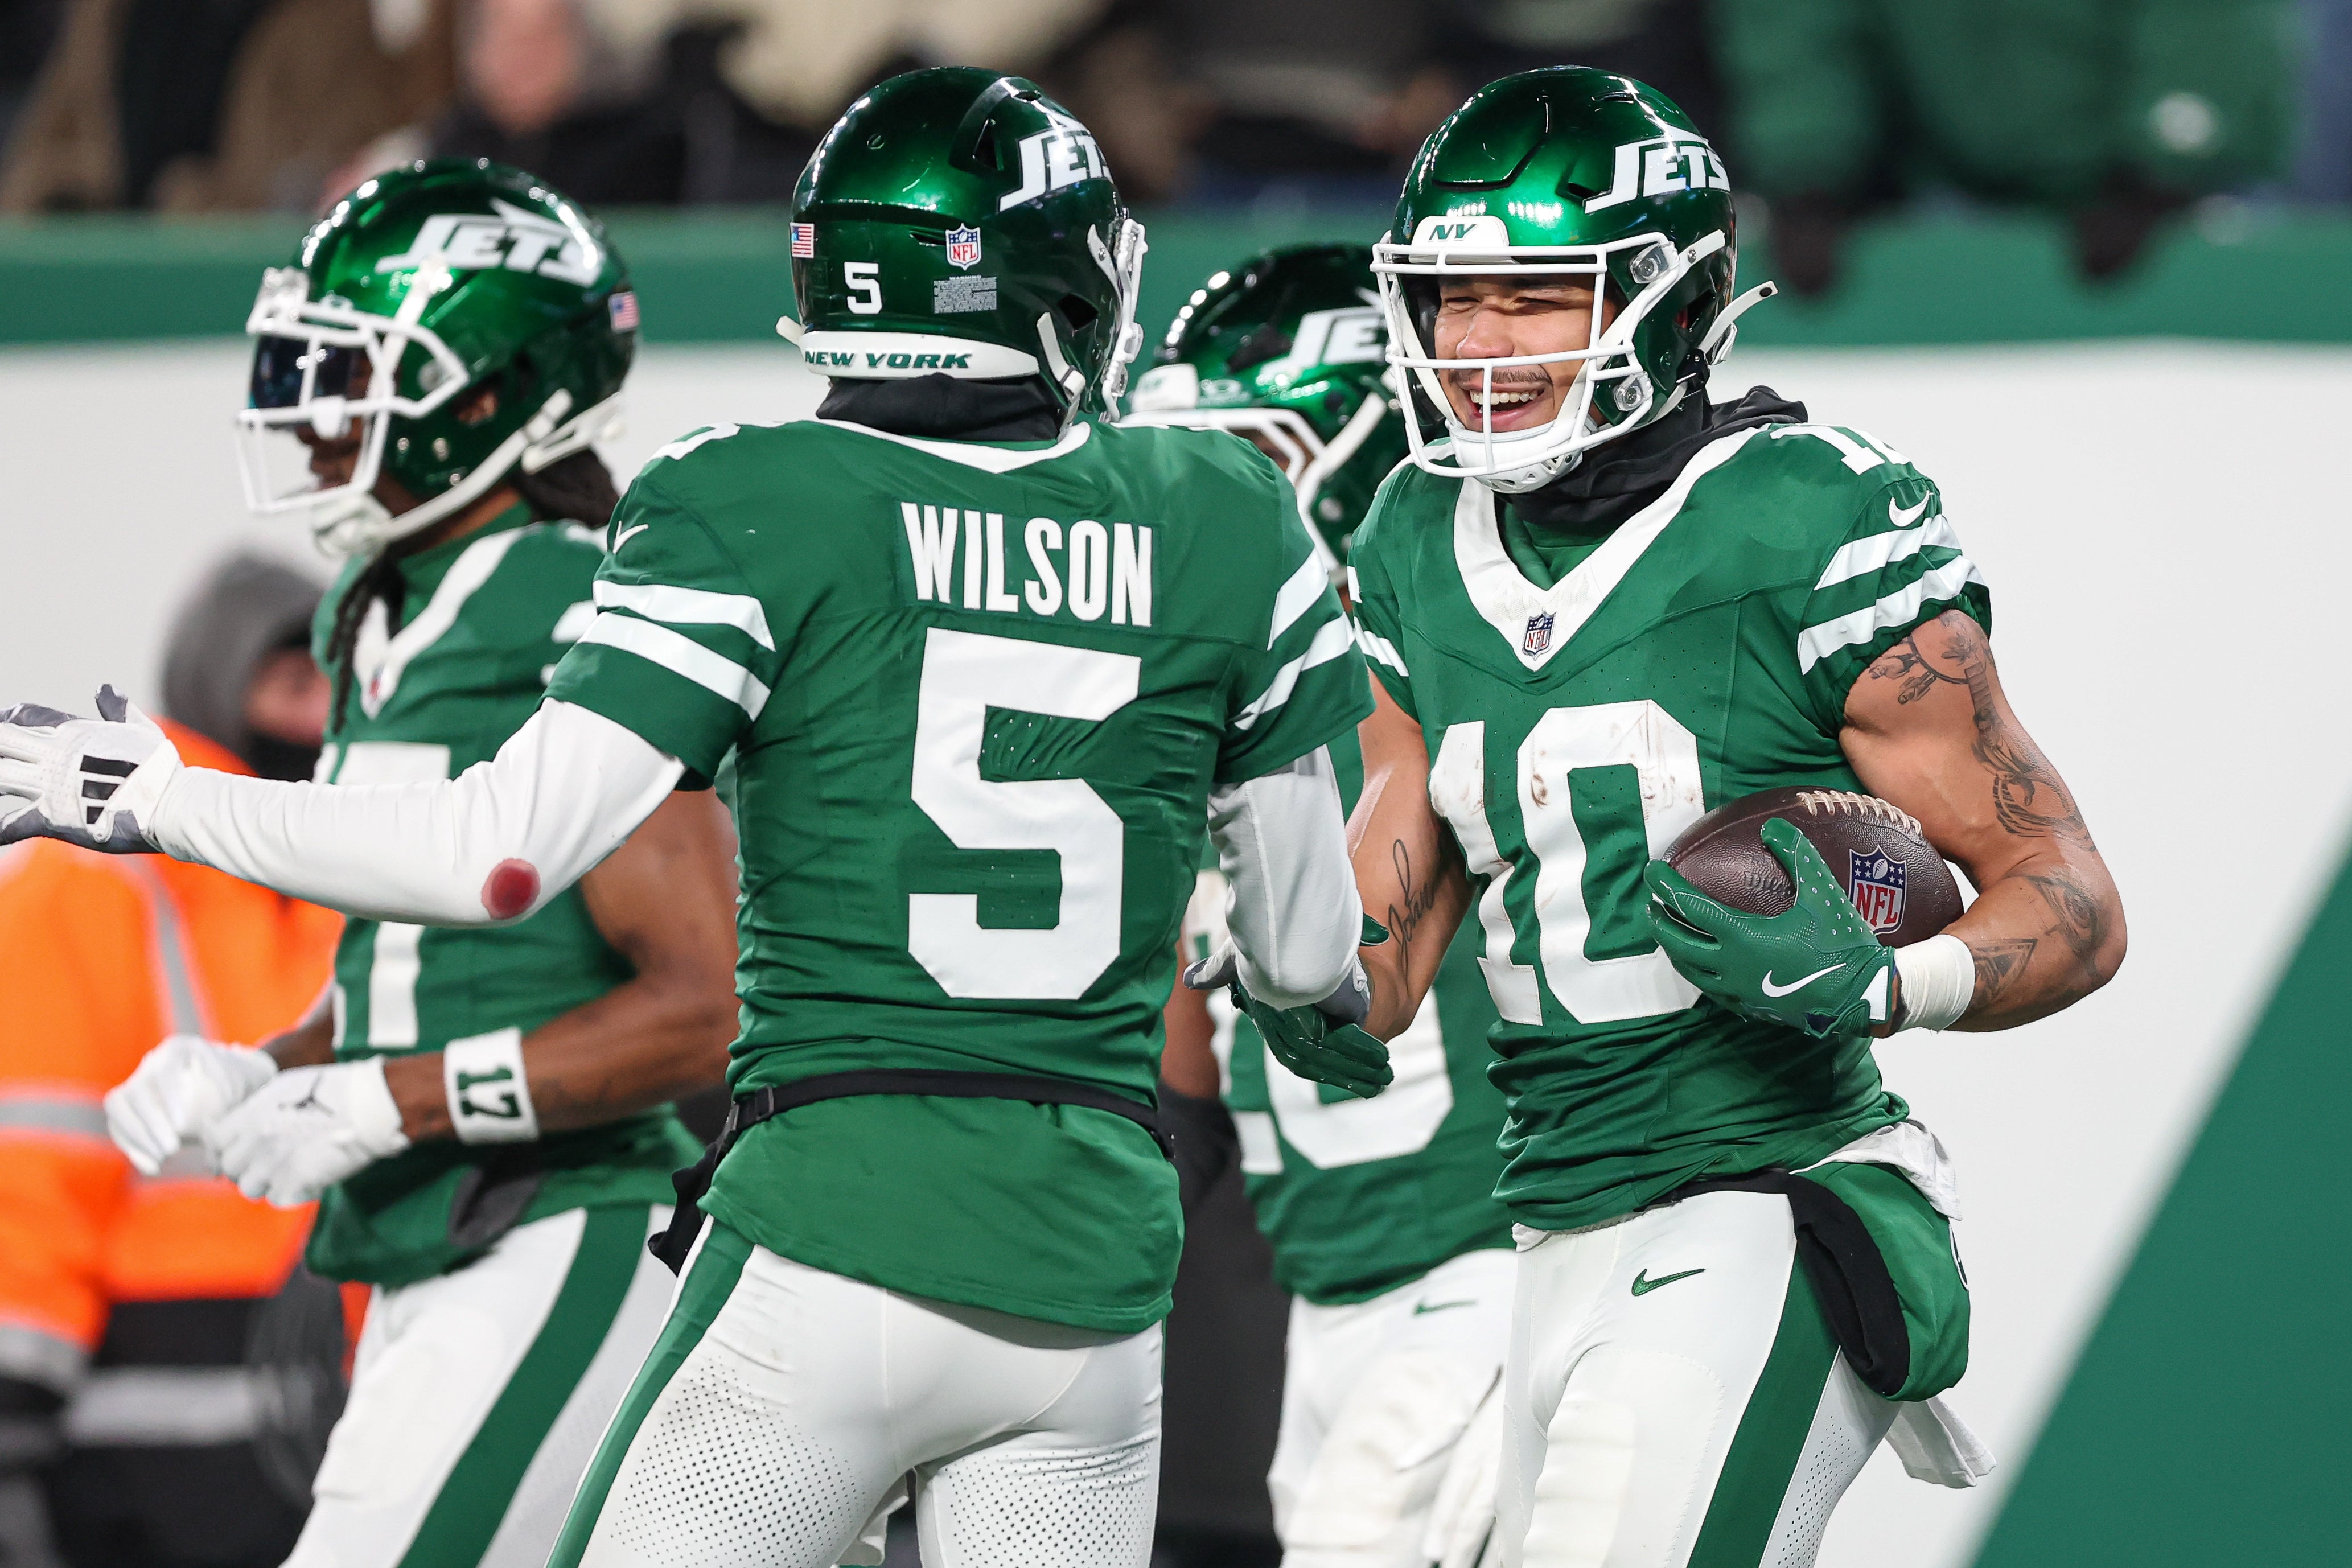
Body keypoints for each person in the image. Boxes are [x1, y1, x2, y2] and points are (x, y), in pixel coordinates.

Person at [0, 71, 1376, 1567]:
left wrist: (160, 800)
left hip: (834, 1227)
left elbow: (500, 853)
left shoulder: (753, 496)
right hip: (1092, 1271)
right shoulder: (1226, 512)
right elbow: (1307, 957)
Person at [1235, 67, 2125, 1566]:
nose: (1475, 344)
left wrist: (1895, 979)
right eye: (1451, 299)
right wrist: (1286, 942)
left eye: (1532, 296)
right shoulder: (1408, 535)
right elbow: (1375, 964)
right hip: (1549, 1229)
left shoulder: (1806, 514)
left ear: (1667, 301)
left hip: (1764, 1202)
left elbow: (2072, 897)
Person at [87, 159, 742, 1568]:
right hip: (429, 1250)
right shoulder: (386, 603)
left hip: (558, 1229)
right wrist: (271, 1064)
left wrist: (392, 1097)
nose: (313, 415)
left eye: (357, 372)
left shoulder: (569, 599)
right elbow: (426, 968)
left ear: (493, 397)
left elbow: (704, 998)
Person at [1131, 244, 1513, 1568]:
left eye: (1236, 458)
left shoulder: (1452, 677)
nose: (1187, 510)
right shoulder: (1206, 717)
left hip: (1484, 1268)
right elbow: (1178, 1100)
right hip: (1324, 1298)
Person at [0, 553, 340, 1568]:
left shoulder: (357, 871)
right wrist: (11, 1426)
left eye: (331, 679)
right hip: (132, 1426)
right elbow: (29, 1157)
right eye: (283, 680)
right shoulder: (89, 880)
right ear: (212, 676)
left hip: (323, 1403)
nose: (314, 709)